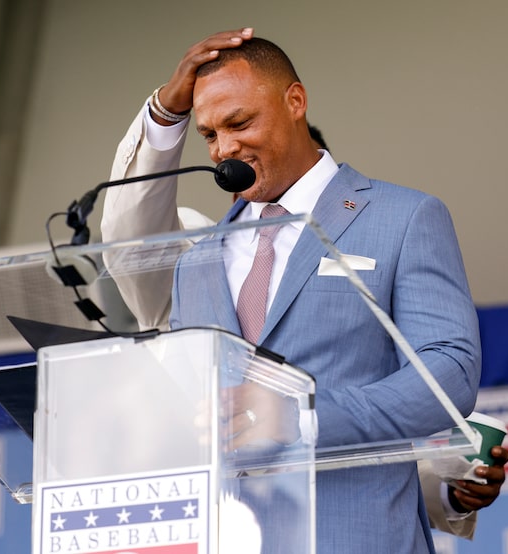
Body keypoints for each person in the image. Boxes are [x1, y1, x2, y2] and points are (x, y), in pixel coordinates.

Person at [101, 28, 483, 552]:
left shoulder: (404, 216)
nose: (225, 147)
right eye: (210, 135)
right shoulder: (197, 260)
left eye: (239, 123)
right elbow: (127, 244)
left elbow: (449, 374)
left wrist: (302, 418)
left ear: (295, 101)